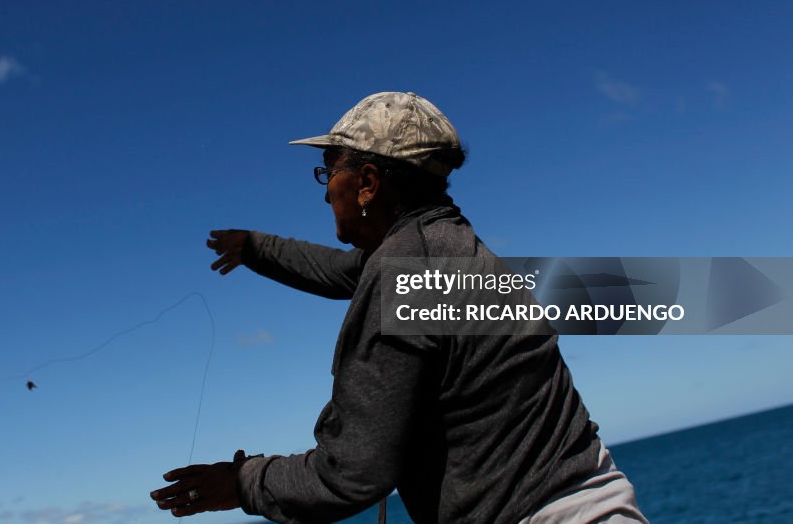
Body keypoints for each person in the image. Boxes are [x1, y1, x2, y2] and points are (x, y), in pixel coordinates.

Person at [150, 92, 647, 523]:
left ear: (367, 182)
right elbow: (342, 270)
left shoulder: (403, 277)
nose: (325, 190)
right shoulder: (446, 245)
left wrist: (240, 482)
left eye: (330, 170)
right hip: (596, 500)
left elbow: (351, 474)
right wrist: (258, 247)